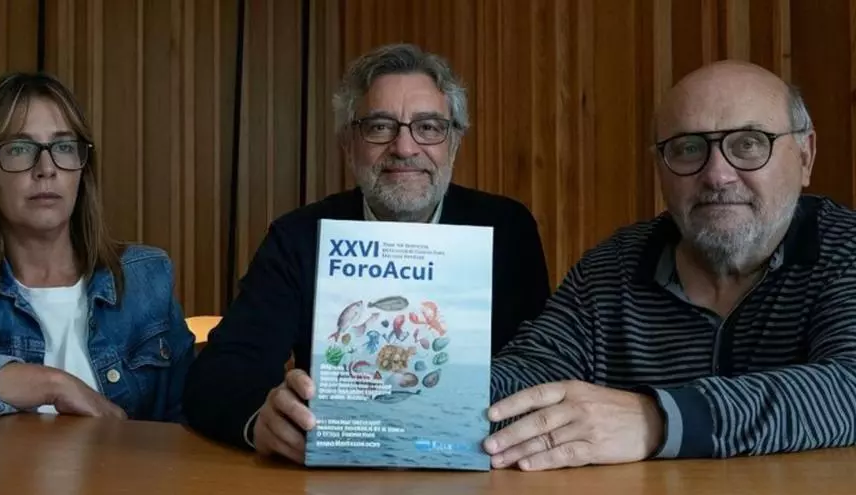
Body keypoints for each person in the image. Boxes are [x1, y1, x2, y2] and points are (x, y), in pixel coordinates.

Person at [254, 59, 856, 469]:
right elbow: (527, 375)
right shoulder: (611, 269)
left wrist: (656, 421)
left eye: (749, 143)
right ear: (661, 168)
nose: (717, 173)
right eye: (688, 148)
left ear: (804, 157)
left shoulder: (845, 250)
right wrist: (358, 411)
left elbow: (848, 387)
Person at [182, 43, 551, 451]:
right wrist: (261, 422)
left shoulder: (507, 229)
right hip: (339, 461)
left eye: (429, 127)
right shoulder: (298, 237)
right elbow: (219, 375)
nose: (405, 148)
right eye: (379, 126)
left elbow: (540, 367)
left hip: (478, 461)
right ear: (348, 142)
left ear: (455, 142)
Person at [0, 72, 194, 421]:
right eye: (19, 149)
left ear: (83, 172)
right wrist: (53, 384)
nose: (46, 168)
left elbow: (191, 418)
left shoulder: (145, 279)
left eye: (63, 147)